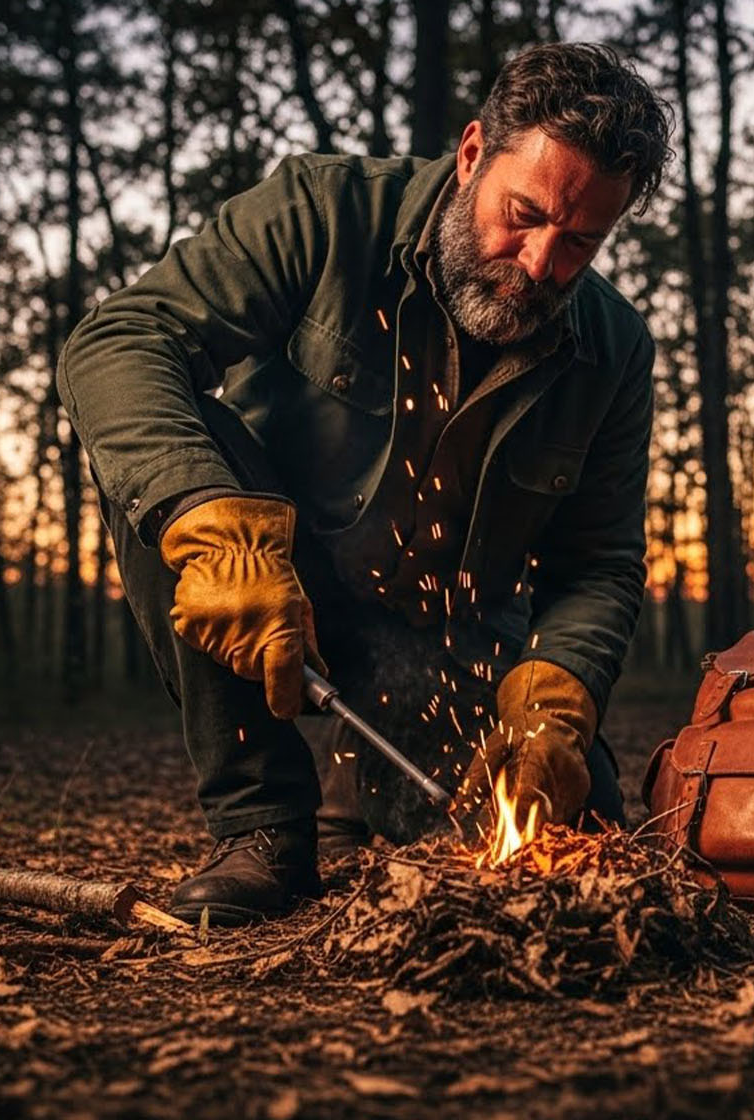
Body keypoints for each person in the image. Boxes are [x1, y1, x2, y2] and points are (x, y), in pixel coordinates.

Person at [57, 42, 672, 925]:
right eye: (523, 214)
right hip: (279, 586)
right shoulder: (326, 212)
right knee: (184, 456)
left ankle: (364, 796)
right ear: (471, 157)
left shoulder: (613, 349)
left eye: (580, 241)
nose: (540, 264)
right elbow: (118, 342)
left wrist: (557, 693)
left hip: (448, 640)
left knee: (573, 843)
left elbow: (600, 564)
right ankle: (263, 828)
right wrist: (210, 521)